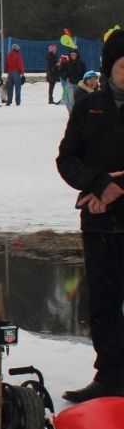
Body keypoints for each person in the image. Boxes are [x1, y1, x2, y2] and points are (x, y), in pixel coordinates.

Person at [56, 27, 124, 401]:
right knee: (102, 304)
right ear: (110, 67)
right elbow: (67, 159)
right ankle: (109, 377)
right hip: (100, 224)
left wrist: (114, 187)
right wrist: (96, 184)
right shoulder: (88, 107)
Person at [61, 48, 86, 113]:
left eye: (74, 55)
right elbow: (61, 72)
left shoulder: (81, 63)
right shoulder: (67, 63)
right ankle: (72, 113)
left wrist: (82, 80)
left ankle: (78, 112)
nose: (73, 56)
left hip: (79, 84)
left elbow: (84, 72)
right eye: (72, 55)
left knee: (78, 98)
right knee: (70, 99)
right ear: (70, 55)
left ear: (77, 55)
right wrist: (65, 77)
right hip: (70, 83)